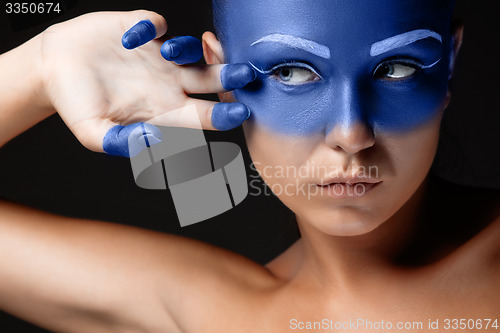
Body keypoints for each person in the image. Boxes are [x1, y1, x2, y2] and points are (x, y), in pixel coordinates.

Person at [0, 1, 499, 332]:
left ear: (448, 66)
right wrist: (39, 66)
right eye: (292, 71)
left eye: (397, 69)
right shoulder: (215, 312)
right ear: (223, 75)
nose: (351, 134)